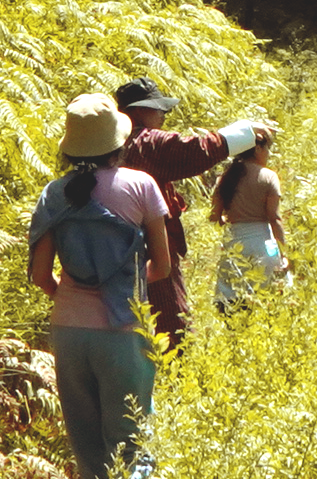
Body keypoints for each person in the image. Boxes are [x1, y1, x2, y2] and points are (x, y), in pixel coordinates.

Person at [27, 92, 171, 479]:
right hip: (124, 327)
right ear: (118, 144)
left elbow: (41, 276)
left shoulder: (53, 194)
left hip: (69, 330)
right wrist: (120, 290)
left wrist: (72, 297)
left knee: (86, 436)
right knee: (130, 433)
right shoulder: (141, 186)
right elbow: (160, 267)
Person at [108, 79, 272, 341]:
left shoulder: (106, 145)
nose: (163, 114)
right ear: (137, 111)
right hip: (152, 245)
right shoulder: (146, 142)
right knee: (173, 325)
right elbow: (193, 152)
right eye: (157, 109)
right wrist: (244, 133)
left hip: (107, 246)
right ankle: (175, 374)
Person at [211, 131, 293, 310]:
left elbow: (215, 216)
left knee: (231, 299)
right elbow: (274, 218)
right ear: (258, 149)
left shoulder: (226, 178)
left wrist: (230, 217)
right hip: (265, 243)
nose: (268, 154)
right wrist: (284, 255)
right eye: (267, 149)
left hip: (234, 243)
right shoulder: (268, 176)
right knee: (274, 293)